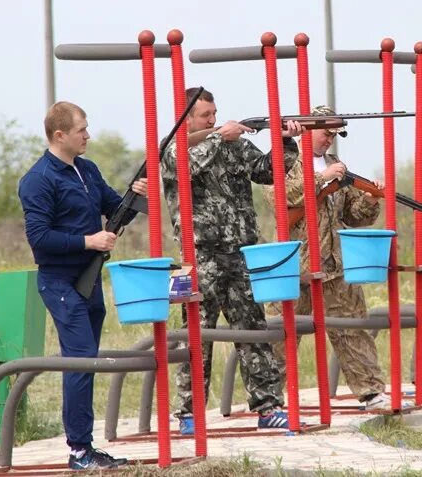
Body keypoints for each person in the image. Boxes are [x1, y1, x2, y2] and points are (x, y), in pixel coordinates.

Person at [161, 87, 304, 434]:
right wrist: (218, 136)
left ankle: (268, 407)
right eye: (204, 116)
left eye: (214, 114)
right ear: (187, 118)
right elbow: (185, 169)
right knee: (196, 337)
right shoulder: (172, 148)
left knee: (253, 332)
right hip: (199, 256)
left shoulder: (235, 144)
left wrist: (285, 141)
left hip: (240, 253)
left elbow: (269, 171)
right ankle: (188, 414)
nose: (212, 120)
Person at [18, 101, 147, 470]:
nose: (88, 135)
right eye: (81, 130)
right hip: (60, 281)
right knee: (80, 361)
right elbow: (39, 238)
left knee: (86, 362)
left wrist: (137, 193)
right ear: (60, 135)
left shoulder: (86, 169)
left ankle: (85, 445)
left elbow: (114, 206)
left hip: (89, 279)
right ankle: (78, 452)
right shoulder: (38, 179)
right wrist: (89, 242)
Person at [265, 105, 392, 410]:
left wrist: (371, 199)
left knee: (352, 328)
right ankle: (268, 399)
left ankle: (371, 392)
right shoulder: (285, 160)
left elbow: (354, 216)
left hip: (334, 264)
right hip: (295, 265)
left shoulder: (337, 165)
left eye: (335, 134)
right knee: (280, 335)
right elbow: (280, 198)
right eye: (326, 132)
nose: (329, 140)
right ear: (307, 130)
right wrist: (321, 178)